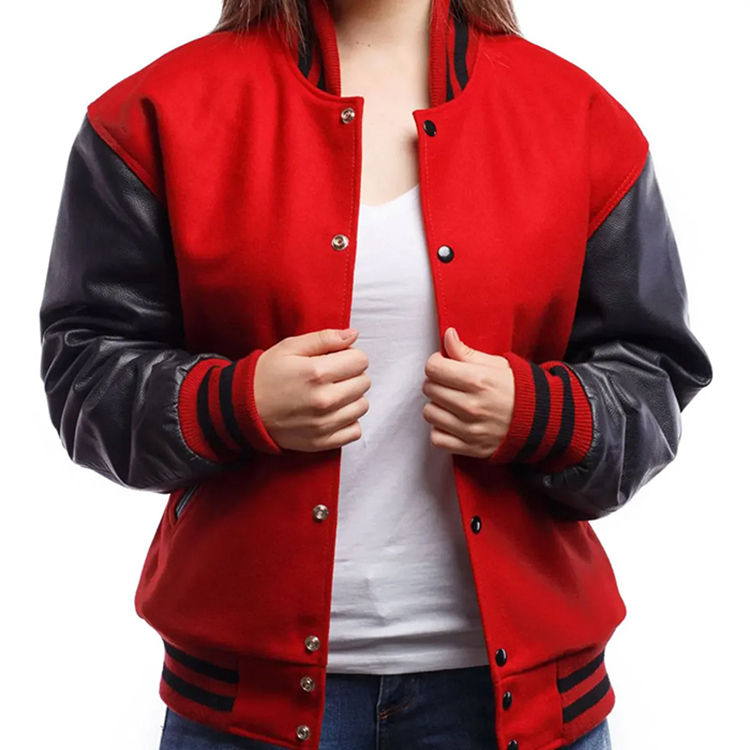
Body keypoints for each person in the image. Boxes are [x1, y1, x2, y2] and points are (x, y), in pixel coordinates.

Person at [38, 0, 713, 748]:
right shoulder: (151, 116)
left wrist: (537, 415)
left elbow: (652, 379)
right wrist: (235, 402)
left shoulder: (579, 118)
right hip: (247, 707)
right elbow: (84, 375)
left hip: (519, 703)